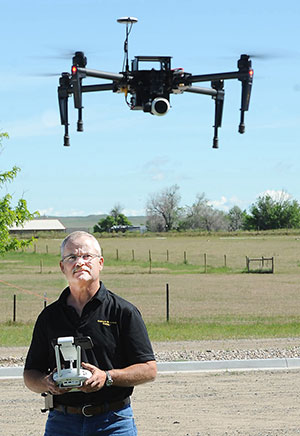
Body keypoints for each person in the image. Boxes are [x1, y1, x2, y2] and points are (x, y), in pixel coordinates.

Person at [23, 231, 157, 436]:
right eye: (71, 257)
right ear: (62, 267)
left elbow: (149, 369)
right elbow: (30, 373)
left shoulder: (123, 312)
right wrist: (46, 383)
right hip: (62, 422)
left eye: (87, 256)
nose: (80, 262)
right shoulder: (49, 317)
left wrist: (107, 377)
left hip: (113, 421)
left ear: (100, 262)